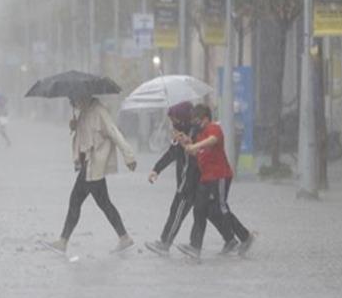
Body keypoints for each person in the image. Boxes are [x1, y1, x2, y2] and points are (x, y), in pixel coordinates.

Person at [44, 94, 137, 254]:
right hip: (88, 166)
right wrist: (74, 126)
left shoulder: (99, 111)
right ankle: (124, 237)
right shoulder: (85, 112)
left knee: (76, 200)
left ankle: (63, 241)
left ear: (83, 96)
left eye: (74, 101)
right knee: (104, 203)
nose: (74, 104)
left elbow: (114, 132)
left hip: (94, 166)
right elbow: (82, 137)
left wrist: (128, 155)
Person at [146, 101, 234, 255]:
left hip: (191, 183)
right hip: (194, 182)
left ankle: (165, 243)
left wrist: (187, 143)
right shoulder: (181, 133)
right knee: (209, 213)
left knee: (178, 212)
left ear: (182, 119)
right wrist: (156, 169)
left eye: (174, 119)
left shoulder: (196, 132)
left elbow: (196, 156)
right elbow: (172, 153)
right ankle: (230, 239)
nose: (172, 123)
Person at [176, 104, 257, 261]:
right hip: (206, 178)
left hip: (220, 176)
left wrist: (194, 144)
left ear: (205, 119)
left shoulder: (214, 128)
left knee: (220, 209)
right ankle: (195, 246)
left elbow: (212, 140)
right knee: (200, 209)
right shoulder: (198, 135)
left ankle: (245, 237)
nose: (195, 124)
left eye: (197, 120)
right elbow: (192, 151)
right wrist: (184, 142)